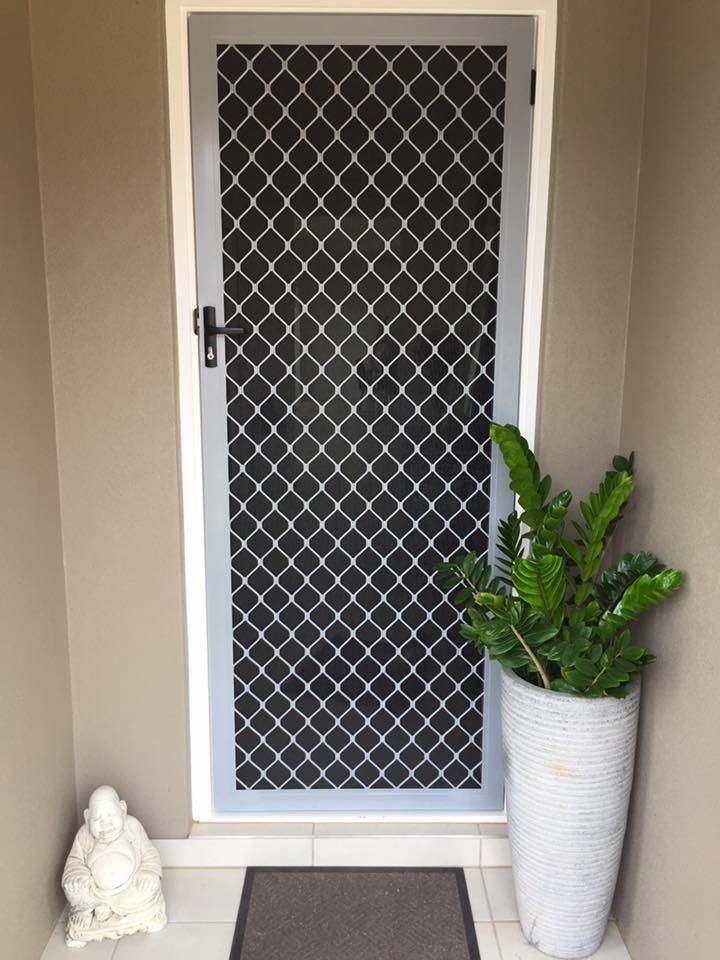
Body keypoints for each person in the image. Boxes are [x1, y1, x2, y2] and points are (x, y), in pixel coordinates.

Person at [62, 785, 166, 947]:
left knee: (148, 889)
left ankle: (109, 911)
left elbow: (149, 853)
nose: (106, 825)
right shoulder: (84, 835)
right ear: (87, 817)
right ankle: (86, 910)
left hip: (129, 888)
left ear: (123, 810)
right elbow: (75, 861)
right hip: (95, 893)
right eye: (97, 820)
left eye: (111, 816)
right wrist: (76, 875)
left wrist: (147, 872)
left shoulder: (132, 826)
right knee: (74, 889)